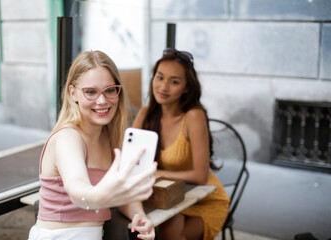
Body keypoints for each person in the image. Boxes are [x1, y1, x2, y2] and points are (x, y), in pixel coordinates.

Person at [28, 50, 156, 240]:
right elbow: (77, 189)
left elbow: (122, 196)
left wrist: (139, 216)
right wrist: (98, 197)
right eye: (91, 92)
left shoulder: (110, 136)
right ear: (73, 93)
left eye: (110, 90)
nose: (102, 100)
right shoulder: (68, 137)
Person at [132, 48, 230, 240]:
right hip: (167, 195)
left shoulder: (193, 116)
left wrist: (158, 173)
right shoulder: (145, 114)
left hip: (203, 198)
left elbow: (200, 176)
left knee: (168, 235)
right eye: (159, 77)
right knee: (142, 229)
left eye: (174, 81)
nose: (164, 87)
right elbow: (132, 161)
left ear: (187, 87)